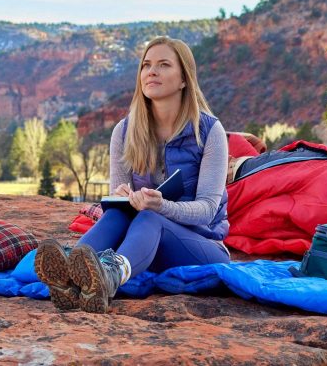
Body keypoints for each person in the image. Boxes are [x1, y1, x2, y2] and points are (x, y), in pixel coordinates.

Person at [35, 36, 231, 313]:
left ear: (184, 79)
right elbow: (116, 200)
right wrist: (120, 197)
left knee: (152, 215)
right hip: (144, 245)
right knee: (117, 212)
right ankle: (70, 272)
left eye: (164, 65)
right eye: (146, 65)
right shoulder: (125, 132)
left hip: (201, 246)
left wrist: (161, 205)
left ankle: (109, 276)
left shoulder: (209, 132)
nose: (152, 71)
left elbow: (208, 211)